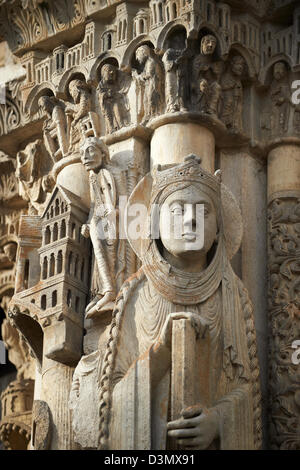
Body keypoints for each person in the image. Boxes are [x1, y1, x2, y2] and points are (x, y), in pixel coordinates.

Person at [97, 155, 262, 450]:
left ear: (218, 232)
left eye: (204, 211)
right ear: (156, 225)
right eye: (178, 210)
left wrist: (219, 421)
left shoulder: (231, 294)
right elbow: (112, 398)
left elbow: (246, 390)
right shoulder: (136, 294)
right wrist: (161, 349)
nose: (191, 220)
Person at [80, 137, 117, 317]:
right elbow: (94, 204)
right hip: (99, 223)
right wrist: (88, 222)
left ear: (103, 153)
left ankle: (110, 291)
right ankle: (102, 291)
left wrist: (100, 219)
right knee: (97, 259)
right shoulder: (93, 176)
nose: (85, 157)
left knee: (107, 256)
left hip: (110, 224)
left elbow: (112, 202)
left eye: (90, 150)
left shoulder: (106, 174)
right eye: (81, 153)